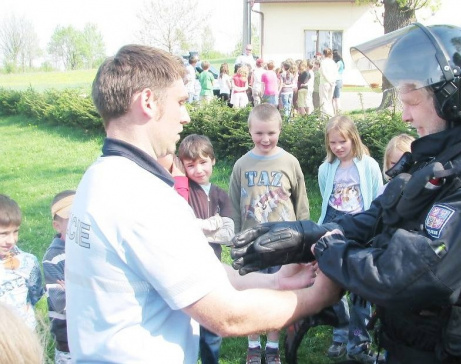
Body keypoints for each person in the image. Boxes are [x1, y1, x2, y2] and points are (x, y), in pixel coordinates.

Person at [231, 23, 461, 363]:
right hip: (408, 347)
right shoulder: (443, 160)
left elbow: (409, 275)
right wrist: (304, 235)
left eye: (412, 100)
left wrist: (326, 248)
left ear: (450, 98)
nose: (404, 114)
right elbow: (379, 218)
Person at [64, 44, 341, 364]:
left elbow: (198, 271)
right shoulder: (143, 198)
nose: (186, 116)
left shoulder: (100, 178)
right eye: (180, 102)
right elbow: (227, 316)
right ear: (149, 102)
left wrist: (276, 281)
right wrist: (318, 296)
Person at [228, 103, 311, 364]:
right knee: (252, 294)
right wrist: (235, 239)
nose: (265, 139)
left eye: (271, 133)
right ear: (250, 131)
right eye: (259, 133)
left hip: (283, 245)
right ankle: (253, 345)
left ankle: (273, 346)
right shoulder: (242, 164)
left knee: (278, 293)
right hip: (252, 244)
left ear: (280, 131)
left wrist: (305, 239)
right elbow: (233, 206)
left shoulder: (290, 162)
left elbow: (301, 205)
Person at [317, 115, 383, 362]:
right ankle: (340, 330)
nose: (338, 147)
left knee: (359, 286)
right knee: (332, 280)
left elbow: (377, 196)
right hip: (334, 221)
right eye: (333, 142)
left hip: (361, 225)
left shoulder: (368, 166)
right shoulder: (326, 168)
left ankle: (359, 339)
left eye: (342, 141)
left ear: (353, 138)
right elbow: (325, 193)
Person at [177, 134, 235, 364]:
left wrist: (197, 228)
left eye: (203, 162)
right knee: (187, 324)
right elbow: (180, 228)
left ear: (213, 160)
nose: (198, 170)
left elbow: (228, 233)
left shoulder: (220, 194)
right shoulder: (183, 191)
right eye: (191, 165)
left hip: (212, 266)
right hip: (186, 267)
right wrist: (211, 223)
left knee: (211, 328)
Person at [0, 194, 44, 331]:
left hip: (24, 335)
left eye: (15, 232)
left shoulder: (27, 262)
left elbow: (35, 293)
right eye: (3, 234)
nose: (11, 240)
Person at [43, 190, 76, 364]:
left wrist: (72, 288)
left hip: (89, 334)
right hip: (67, 339)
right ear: (57, 226)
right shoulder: (53, 259)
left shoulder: (86, 250)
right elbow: (61, 302)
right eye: (72, 220)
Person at [319, 48, 338, 117]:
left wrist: (329, 81)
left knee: (324, 100)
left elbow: (323, 73)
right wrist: (333, 82)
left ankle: (324, 116)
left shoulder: (323, 62)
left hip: (325, 82)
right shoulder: (333, 62)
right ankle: (331, 115)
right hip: (332, 83)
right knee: (329, 101)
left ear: (324, 54)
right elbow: (336, 73)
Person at [332, 49, 345, 115]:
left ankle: (337, 113)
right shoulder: (341, 62)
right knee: (336, 98)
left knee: (335, 99)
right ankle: (337, 112)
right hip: (340, 80)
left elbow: (335, 71)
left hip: (336, 80)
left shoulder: (338, 63)